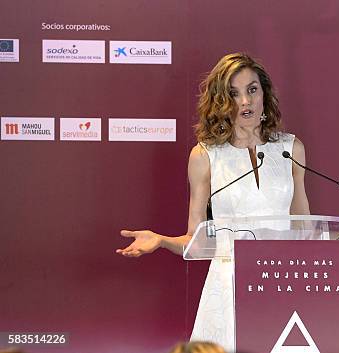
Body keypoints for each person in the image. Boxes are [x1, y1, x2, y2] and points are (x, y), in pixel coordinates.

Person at [116, 53, 310, 351]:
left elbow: (305, 231)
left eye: (252, 89)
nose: (245, 101)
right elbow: (200, 242)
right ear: (221, 100)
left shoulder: (290, 149)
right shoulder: (205, 156)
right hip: (227, 289)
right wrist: (162, 240)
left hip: (280, 283)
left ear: (264, 93)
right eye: (234, 93)